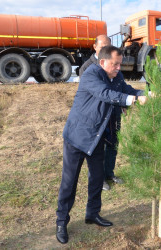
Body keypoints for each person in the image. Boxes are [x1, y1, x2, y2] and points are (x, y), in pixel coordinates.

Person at [56, 45, 146, 244]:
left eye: (120, 64)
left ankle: (92, 214)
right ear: (103, 61)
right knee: (69, 182)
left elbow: (128, 90)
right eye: (115, 64)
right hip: (77, 137)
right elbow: (106, 94)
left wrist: (145, 94)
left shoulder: (117, 77)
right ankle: (61, 221)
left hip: (97, 137)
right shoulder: (91, 74)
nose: (118, 68)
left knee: (97, 178)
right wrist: (134, 100)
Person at [79, 35, 123, 191]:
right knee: (98, 150)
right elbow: (100, 93)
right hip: (97, 116)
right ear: (95, 47)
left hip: (113, 114)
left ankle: (109, 173)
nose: (105, 48)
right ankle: (99, 179)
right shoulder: (88, 68)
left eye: (108, 45)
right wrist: (128, 99)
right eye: (103, 45)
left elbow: (121, 88)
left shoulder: (115, 66)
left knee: (113, 145)